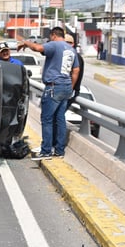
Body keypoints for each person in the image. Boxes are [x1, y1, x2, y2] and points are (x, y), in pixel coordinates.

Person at [17, 27, 80, 160]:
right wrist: (70, 87)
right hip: (66, 87)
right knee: (60, 119)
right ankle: (59, 150)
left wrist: (26, 43)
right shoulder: (71, 50)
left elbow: (39, 48)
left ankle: (46, 151)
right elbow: (76, 71)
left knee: (47, 119)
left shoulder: (55, 45)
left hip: (53, 86)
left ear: (53, 35)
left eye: (50, 37)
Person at [65, 34, 84, 109]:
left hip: (70, 91)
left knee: (58, 116)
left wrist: (70, 90)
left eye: (67, 42)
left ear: (72, 44)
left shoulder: (75, 56)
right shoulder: (66, 55)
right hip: (64, 90)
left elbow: (75, 73)